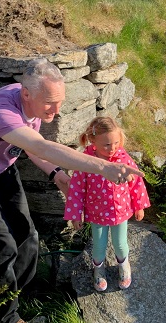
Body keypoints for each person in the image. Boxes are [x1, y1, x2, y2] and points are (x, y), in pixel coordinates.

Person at [0, 58, 143, 323]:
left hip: (2, 170)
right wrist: (104, 167)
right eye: (50, 102)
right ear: (26, 94)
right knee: (3, 247)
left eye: (60, 101)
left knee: (28, 237)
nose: (57, 110)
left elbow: (30, 146)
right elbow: (40, 145)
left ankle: (18, 293)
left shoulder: (31, 99)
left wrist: (58, 176)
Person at [64, 116, 150, 292]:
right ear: (93, 140)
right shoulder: (86, 162)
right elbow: (76, 189)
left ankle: (124, 266)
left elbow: (136, 182)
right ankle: (98, 269)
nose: (112, 149)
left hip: (121, 211)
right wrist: (75, 214)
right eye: (106, 145)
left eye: (116, 143)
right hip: (98, 213)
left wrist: (139, 205)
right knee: (99, 245)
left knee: (120, 243)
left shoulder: (123, 158)